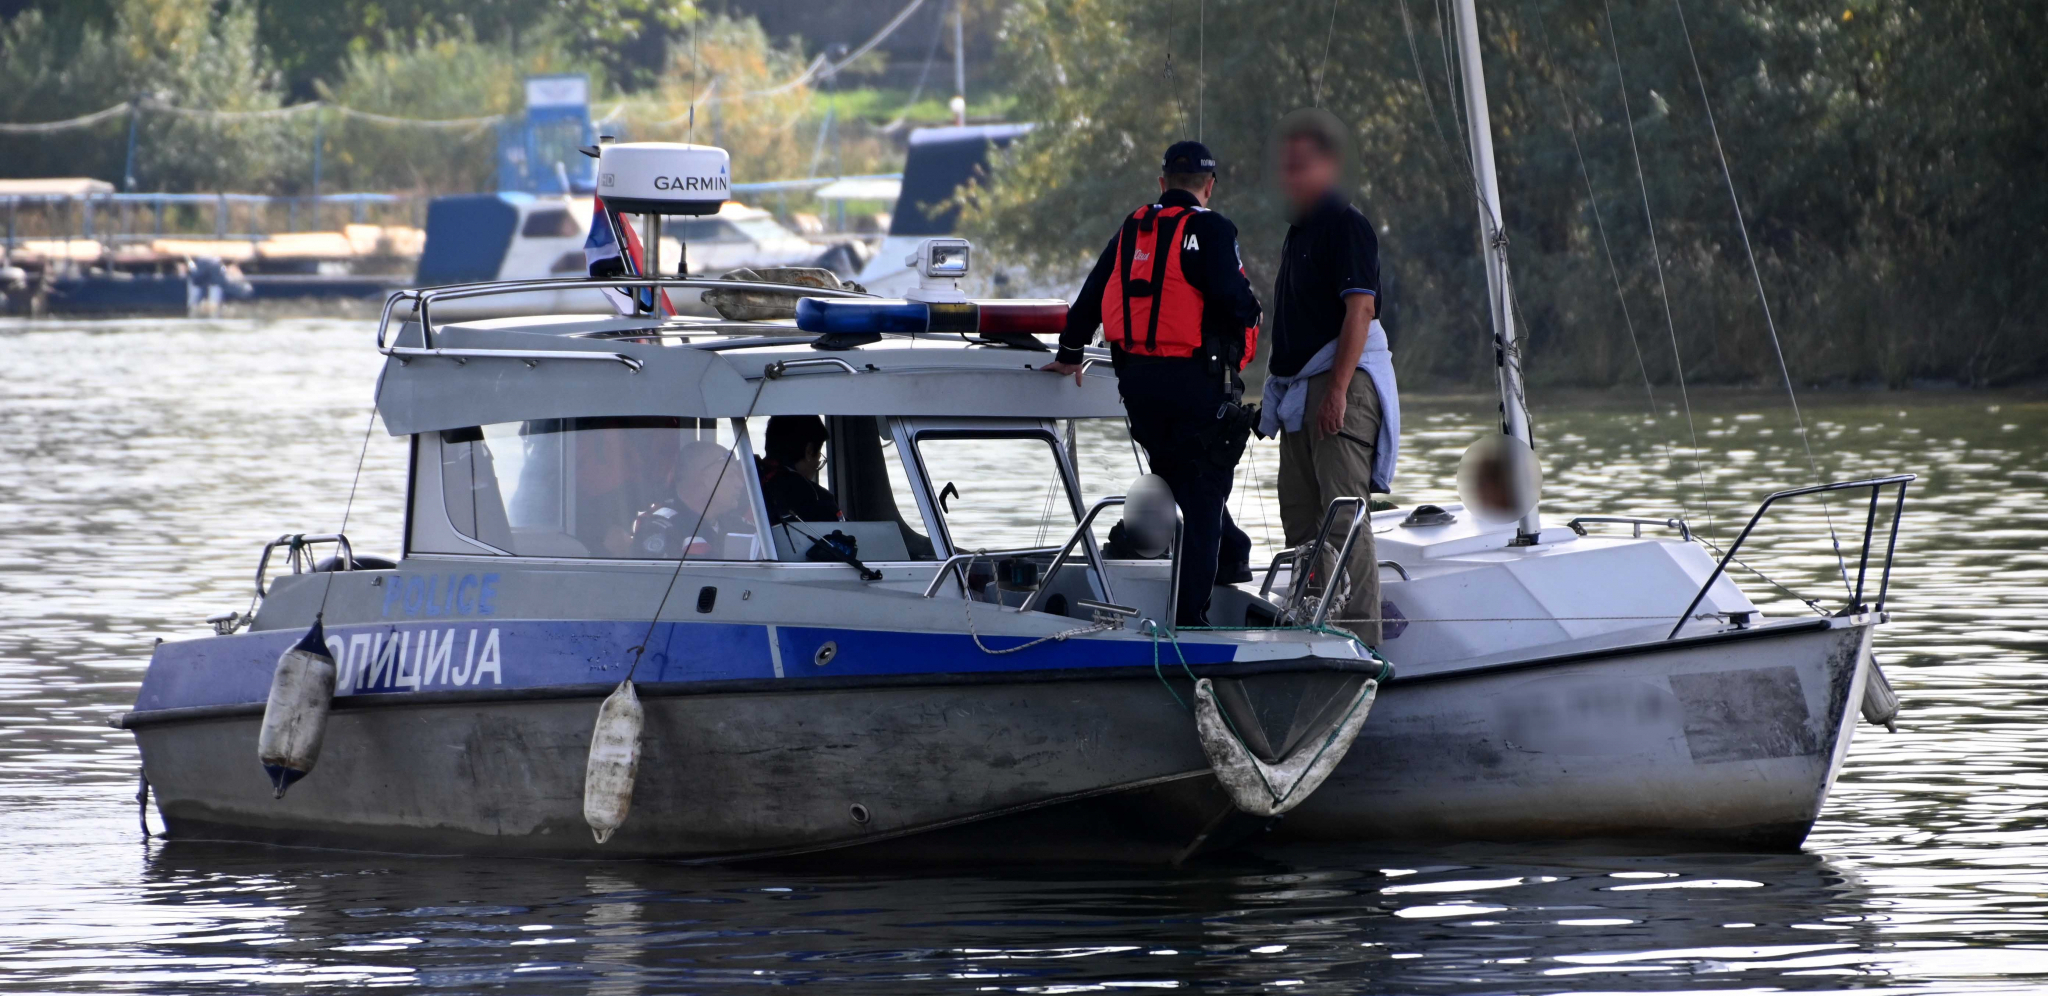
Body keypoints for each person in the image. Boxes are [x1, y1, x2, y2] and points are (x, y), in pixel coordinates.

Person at [1041, 140, 1261, 627]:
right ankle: (1191, 622)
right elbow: (1235, 299)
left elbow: (1093, 293)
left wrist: (1069, 354)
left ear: (1162, 184)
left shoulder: (1131, 229)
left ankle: (1234, 552)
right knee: (1203, 502)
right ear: (1209, 187)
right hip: (1194, 388)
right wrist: (1253, 313)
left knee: (1184, 478)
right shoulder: (1212, 227)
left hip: (1139, 393)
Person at [1257, 109, 1402, 645]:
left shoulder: (1347, 224)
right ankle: (1310, 628)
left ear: (1328, 167)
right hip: (1299, 390)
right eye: (1285, 166)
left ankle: (1359, 638)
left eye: (1300, 166)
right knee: (1300, 517)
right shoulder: (1299, 232)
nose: (1289, 177)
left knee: (1342, 517)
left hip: (1338, 381)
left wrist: (1337, 391)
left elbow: (1359, 311)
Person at [631, 441, 757, 559]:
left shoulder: (737, 525)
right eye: (730, 475)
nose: (739, 484)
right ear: (704, 478)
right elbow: (660, 581)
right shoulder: (661, 528)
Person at [756, 415, 842, 525]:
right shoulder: (817, 498)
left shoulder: (741, 481)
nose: (817, 466)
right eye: (819, 457)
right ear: (809, 451)